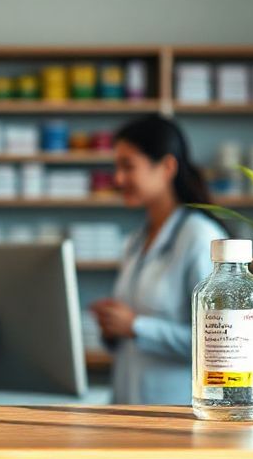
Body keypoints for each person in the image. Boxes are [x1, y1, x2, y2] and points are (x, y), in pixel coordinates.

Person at [92, 115, 225, 405]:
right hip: (126, 407)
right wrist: (113, 327)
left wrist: (136, 326)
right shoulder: (135, 241)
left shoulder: (201, 237)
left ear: (166, 167)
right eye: (117, 167)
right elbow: (130, 329)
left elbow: (218, 341)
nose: (118, 179)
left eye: (128, 166)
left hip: (175, 414)